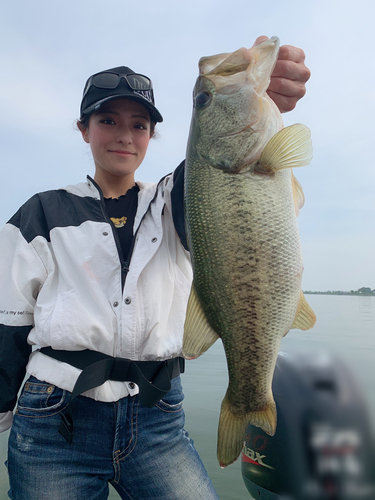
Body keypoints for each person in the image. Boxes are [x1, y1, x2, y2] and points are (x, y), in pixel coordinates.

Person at [0, 37, 310, 499]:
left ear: (151, 135)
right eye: (108, 120)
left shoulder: (174, 198)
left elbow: (215, 180)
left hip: (156, 420)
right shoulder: (40, 213)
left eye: (139, 124)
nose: (124, 135)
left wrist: (267, 95)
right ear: (84, 129)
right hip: (53, 420)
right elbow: (9, 324)